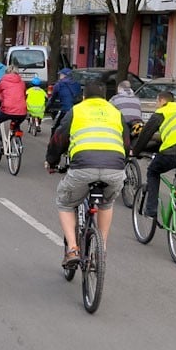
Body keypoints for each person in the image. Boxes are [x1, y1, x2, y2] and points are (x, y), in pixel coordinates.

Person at [45, 81, 126, 267]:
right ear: (104, 98)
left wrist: (52, 161)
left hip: (83, 166)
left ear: (84, 97)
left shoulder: (77, 111)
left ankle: (72, 249)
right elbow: (126, 141)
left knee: (65, 202)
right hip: (115, 167)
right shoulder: (115, 112)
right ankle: (101, 249)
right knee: (107, 202)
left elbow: (59, 138)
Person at [131, 91, 176, 218]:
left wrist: (135, 152)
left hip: (172, 153)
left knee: (153, 171)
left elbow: (146, 134)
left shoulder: (162, 112)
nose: (156, 105)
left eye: (157, 102)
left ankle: (151, 210)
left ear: (162, 101)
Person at [0, 64, 28, 155]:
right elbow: (24, 96)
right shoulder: (22, 82)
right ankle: (17, 142)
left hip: (7, 109)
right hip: (22, 111)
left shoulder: (3, 81)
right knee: (16, 123)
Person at [48, 67, 81, 135]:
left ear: (64, 75)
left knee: (55, 127)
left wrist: (47, 107)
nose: (60, 76)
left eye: (61, 75)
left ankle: (53, 144)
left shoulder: (59, 85)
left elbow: (52, 98)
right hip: (76, 111)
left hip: (65, 110)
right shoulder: (77, 84)